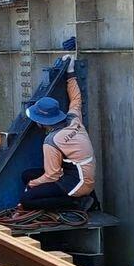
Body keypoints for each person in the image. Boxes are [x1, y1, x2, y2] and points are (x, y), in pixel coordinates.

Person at [20, 54, 95, 211]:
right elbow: (76, 99)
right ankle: (78, 198)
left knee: (27, 199)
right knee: (27, 174)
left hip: (77, 183)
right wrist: (71, 72)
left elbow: (52, 175)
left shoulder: (51, 141)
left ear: (41, 122)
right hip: (79, 174)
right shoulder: (74, 119)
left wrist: (32, 185)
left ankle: (77, 203)